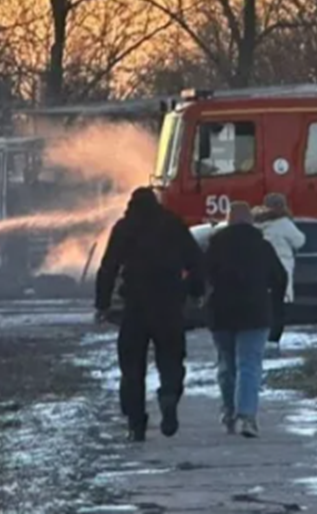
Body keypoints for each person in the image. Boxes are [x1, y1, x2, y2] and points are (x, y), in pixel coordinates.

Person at [95, 187, 204, 442]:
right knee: (171, 358)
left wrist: (102, 304)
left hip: (135, 305)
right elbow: (196, 261)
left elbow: (108, 267)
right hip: (169, 304)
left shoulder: (124, 227)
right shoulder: (173, 224)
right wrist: (194, 291)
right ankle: (168, 396)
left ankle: (136, 423)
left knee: (132, 367)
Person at [204, 201, 287, 438]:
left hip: (221, 313)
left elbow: (202, 275)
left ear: (228, 221)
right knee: (249, 364)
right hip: (255, 313)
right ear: (251, 221)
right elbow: (279, 277)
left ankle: (229, 412)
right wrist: (273, 302)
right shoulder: (263, 247)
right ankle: (247, 417)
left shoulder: (215, 245)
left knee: (226, 365)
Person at [253, 193, 305, 347]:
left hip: (258, 267)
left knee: (263, 304)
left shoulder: (255, 222)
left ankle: (262, 335)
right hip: (281, 265)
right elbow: (299, 241)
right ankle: (273, 339)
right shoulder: (283, 223)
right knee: (278, 306)